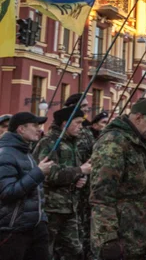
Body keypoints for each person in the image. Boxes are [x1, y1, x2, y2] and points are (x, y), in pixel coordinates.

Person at [90, 97, 146, 260]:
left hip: (140, 238)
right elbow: (102, 196)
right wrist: (108, 240)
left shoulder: (140, 142)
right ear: (138, 117)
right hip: (121, 240)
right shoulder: (114, 141)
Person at [32, 106, 91, 260]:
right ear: (65, 123)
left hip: (70, 206)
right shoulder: (49, 143)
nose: (81, 127)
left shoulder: (73, 143)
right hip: (51, 208)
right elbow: (48, 174)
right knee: (46, 250)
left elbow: (75, 171)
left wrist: (80, 178)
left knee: (74, 249)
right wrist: (80, 171)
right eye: (77, 123)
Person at [0, 112, 54, 260]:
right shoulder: (5, 154)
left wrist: (41, 219)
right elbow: (7, 192)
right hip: (14, 230)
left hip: (35, 227)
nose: (39, 129)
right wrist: (38, 172)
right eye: (35, 125)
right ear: (21, 129)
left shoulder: (25, 152)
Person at [64, 94, 95, 260]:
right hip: (70, 190)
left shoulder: (86, 130)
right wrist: (77, 174)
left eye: (87, 106)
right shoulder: (63, 131)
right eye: (83, 107)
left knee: (85, 229)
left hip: (87, 188)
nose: (86, 110)